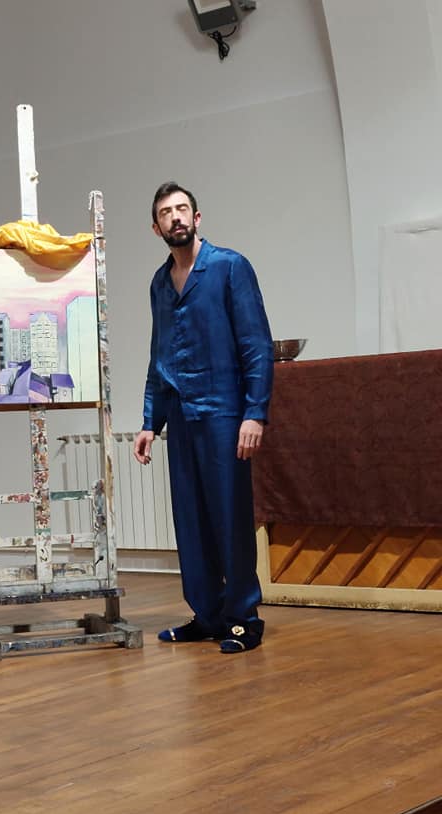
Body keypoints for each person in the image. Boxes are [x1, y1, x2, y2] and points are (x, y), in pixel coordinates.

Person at [134, 182, 273, 654]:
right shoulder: (159, 283)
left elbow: (256, 345)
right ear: (156, 227)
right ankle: (207, 615)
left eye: (181, 209)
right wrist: (150, 421)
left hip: (224, 414)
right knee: (190, 519)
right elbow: (159, 355)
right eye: (165, 213)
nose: (175, 217)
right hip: (181, 416)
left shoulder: (230, 267)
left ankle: (243, 619)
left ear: (196, 218)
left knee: (229, 517)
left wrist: (255, 413)